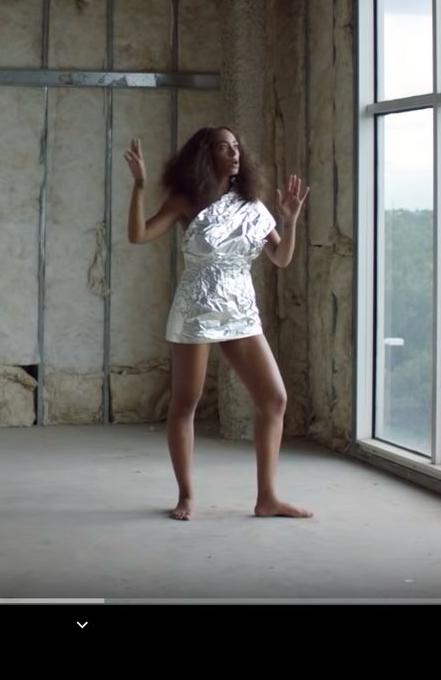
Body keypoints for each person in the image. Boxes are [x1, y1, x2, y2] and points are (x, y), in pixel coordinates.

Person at [125, 127, 313, 521]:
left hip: (240, 311)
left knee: (275, 399)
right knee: (185, 402)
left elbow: (281, 259)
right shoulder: (186, 201)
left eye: (237, 147)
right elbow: (139, 235)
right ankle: (187, 495)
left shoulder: (252, 204)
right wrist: (140, 186)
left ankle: (267, 498)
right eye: (224, 147)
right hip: (196, 309)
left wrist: (290, 221)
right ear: (205, 155)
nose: (234, 153)